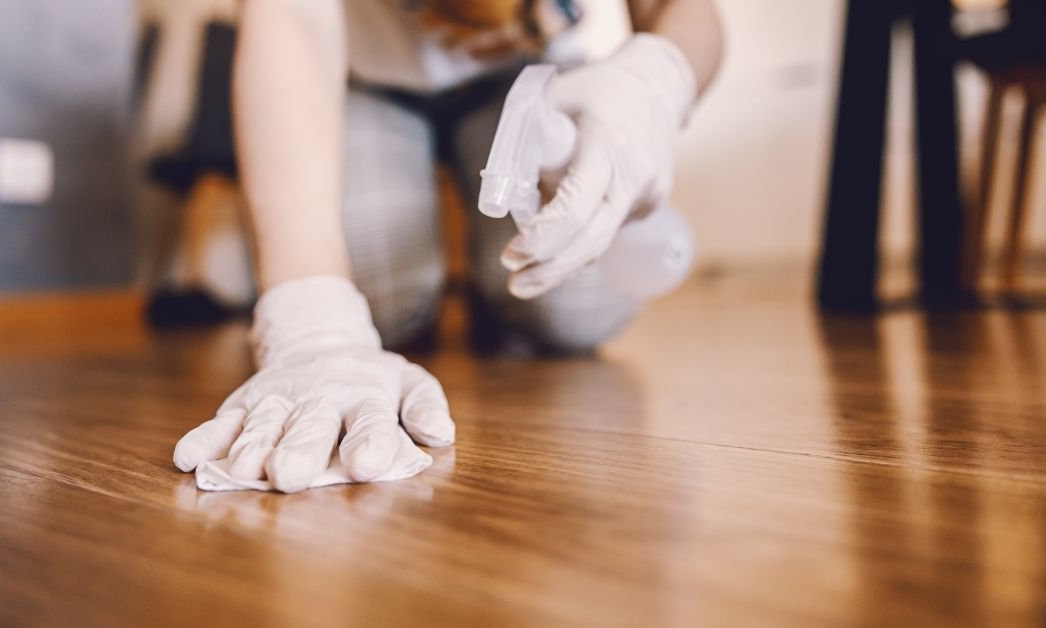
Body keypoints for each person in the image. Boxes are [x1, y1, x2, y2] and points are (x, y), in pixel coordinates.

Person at [173, 0, 723, 492]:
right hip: (365, 75)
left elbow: (687, 10)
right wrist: (310, 319)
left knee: (578, 302)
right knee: (382, 302)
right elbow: (289, 15)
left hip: (527, 77)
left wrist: (657, 80)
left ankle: (492, 290)